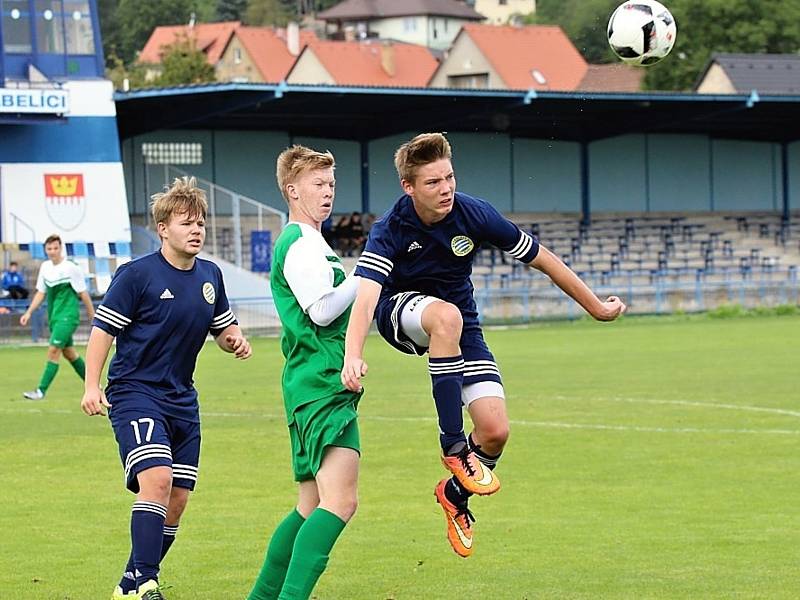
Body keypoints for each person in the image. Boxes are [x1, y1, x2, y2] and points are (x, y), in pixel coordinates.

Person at [341, 132, 626, 558]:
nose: (446, 188)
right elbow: (365, 296)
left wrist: (596, 307)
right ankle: (452, 445)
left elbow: (544, 258)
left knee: (495, 432)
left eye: (449, 177)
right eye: (433, 182)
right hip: (398, 313)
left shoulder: (474, 213)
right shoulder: (390, 229)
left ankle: (454, 494)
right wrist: (353, 354)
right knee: (446, 316)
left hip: (461, 327)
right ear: (409, 187)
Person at [80, 176, 252, 600]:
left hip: (182, 400)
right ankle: (147, 583)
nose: (196, 230)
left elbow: (222, 327)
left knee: (177, 500)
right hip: (135, 393)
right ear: (163, 228)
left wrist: (234, 339)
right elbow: (102, 331)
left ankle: (128, 583)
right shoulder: (136, 275)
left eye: (201, 224)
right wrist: (91, 385)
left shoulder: (210, 276)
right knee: (155, 479)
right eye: (186, 223)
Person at [247, 145, 361, 600]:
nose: (328, 192)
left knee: (309, 504)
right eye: (318, 183)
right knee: (340, 502)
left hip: (312, 383)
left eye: (331, 183)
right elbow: (321, 309)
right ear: (292, 190)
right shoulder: (298, 242)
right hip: (320, 383)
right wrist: (369, 273)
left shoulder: (311, 241)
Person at [19, 235, 95, 399]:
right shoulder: (45, 267)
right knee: (70, 354)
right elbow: (41, 292)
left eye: (55, 248)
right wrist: (29, 312)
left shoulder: (71, 268)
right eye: (49, 249)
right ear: (45, 250)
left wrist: (92, 316)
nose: (52, 251)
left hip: (67, 317)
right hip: (54, 317)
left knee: (53, 350)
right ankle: (95, 386)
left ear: (61, 249)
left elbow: (83, 293)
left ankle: (41, 390)